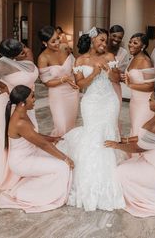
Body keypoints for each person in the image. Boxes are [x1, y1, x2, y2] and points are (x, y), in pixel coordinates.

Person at [57, 27, 126, 211]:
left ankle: (110, 175)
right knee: (92, 135)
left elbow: (117, 79)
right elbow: (80, 85)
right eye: (101, 40)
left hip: (109, 101)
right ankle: (89, 176)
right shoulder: (81, 60)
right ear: (92, 40)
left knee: (108, 133)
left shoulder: (110, 57)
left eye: (106, 41)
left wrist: (108, 71)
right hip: (91, 102)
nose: (105, 44)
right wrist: (95, 73)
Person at [105, 88, 155, 217]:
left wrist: (117, 146)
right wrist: (124, 140)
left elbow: (139, 148)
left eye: (151, 99)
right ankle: (152, 192)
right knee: (124, 165)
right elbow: (144, 137)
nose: (148, 101)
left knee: (120, 172)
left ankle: (150, 199)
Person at [0, 85, 73, 213]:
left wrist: (53, 139)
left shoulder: (22, 112)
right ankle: (38, 195)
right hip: (22, 162)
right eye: (32, 97)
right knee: (63, 166)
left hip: (31, 153)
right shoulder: (19, 122)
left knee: (61, 152)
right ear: (22, 103)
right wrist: (66, 159)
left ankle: (48, 186)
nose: (34, 99)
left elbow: (35, 136)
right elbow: (42, 144)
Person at [0, 39, 38, 189]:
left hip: (27, 101)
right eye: (21, 51)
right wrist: (3, 84)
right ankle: (6, 172)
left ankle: (24, 166)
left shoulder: (27, 53)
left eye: (23, 47)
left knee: (31, 131)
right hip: (8, 103)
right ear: (12, 57)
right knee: (9, 136)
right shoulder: (4, 65)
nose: (25, 51)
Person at [38, 26, 79, 136]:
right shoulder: (43, 58)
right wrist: (62, 80)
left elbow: (75, 67)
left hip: (72, 92)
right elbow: (47, 83)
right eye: (53, 41)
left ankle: (69, 149)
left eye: (58, 38)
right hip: (58, 94)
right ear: (44, 43)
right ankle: (60, 150)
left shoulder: (65, 47)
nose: (57, 42)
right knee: (61, 124)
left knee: (71, 123)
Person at [124, 33, 155, 137]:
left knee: (139, 132)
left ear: (143, 46)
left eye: (135, 43)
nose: (131, 45)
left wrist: (130, 84)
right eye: (130, 42)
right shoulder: (133, 58)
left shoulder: (146, 61)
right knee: (135, 129)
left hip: (145, 103)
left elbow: (151, 86)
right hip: (134, 102)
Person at [107, 25, 129, 105]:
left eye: (120, 37)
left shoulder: (123, 53)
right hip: (100, 87)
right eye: (114, 36)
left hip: (114, 88)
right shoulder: (102, 49)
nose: (116, 39)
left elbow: (121, 74)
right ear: (109, 34)